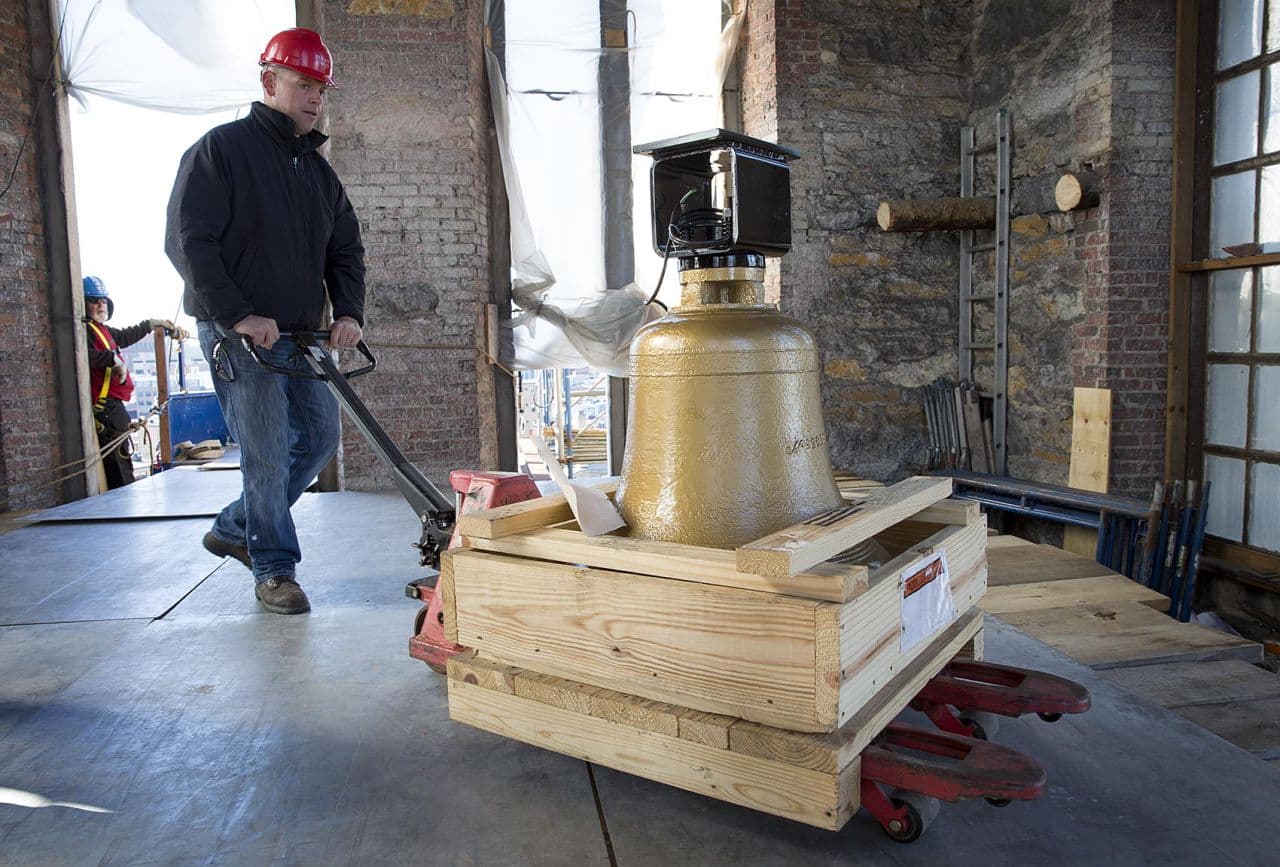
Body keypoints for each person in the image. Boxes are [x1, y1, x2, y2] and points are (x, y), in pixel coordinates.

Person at [164, 27, 366, 616]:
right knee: (268, 448)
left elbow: (345, 250)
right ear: (269, 81)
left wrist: (348, 311)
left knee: (320, 439)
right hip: (240, 335)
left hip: (301, 337)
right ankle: (275, 569)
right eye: (304, 83)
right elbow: (188, 240)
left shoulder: (319, 173)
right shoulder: (220, 151)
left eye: (321, 89)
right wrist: (237, 314)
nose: (314, 98)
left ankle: (234, 525)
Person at [82, 276, 183, 490]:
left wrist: (148, 325)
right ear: (83, 303)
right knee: (120, 469)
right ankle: (122, 509)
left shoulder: (102, 330)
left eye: (103, 300)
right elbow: (83, 354)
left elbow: (125, 336)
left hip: (113, 408)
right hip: (106, 409)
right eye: (94, 300)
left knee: (123, 461)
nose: (100, 305)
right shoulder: (84, 331)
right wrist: (111, 359)